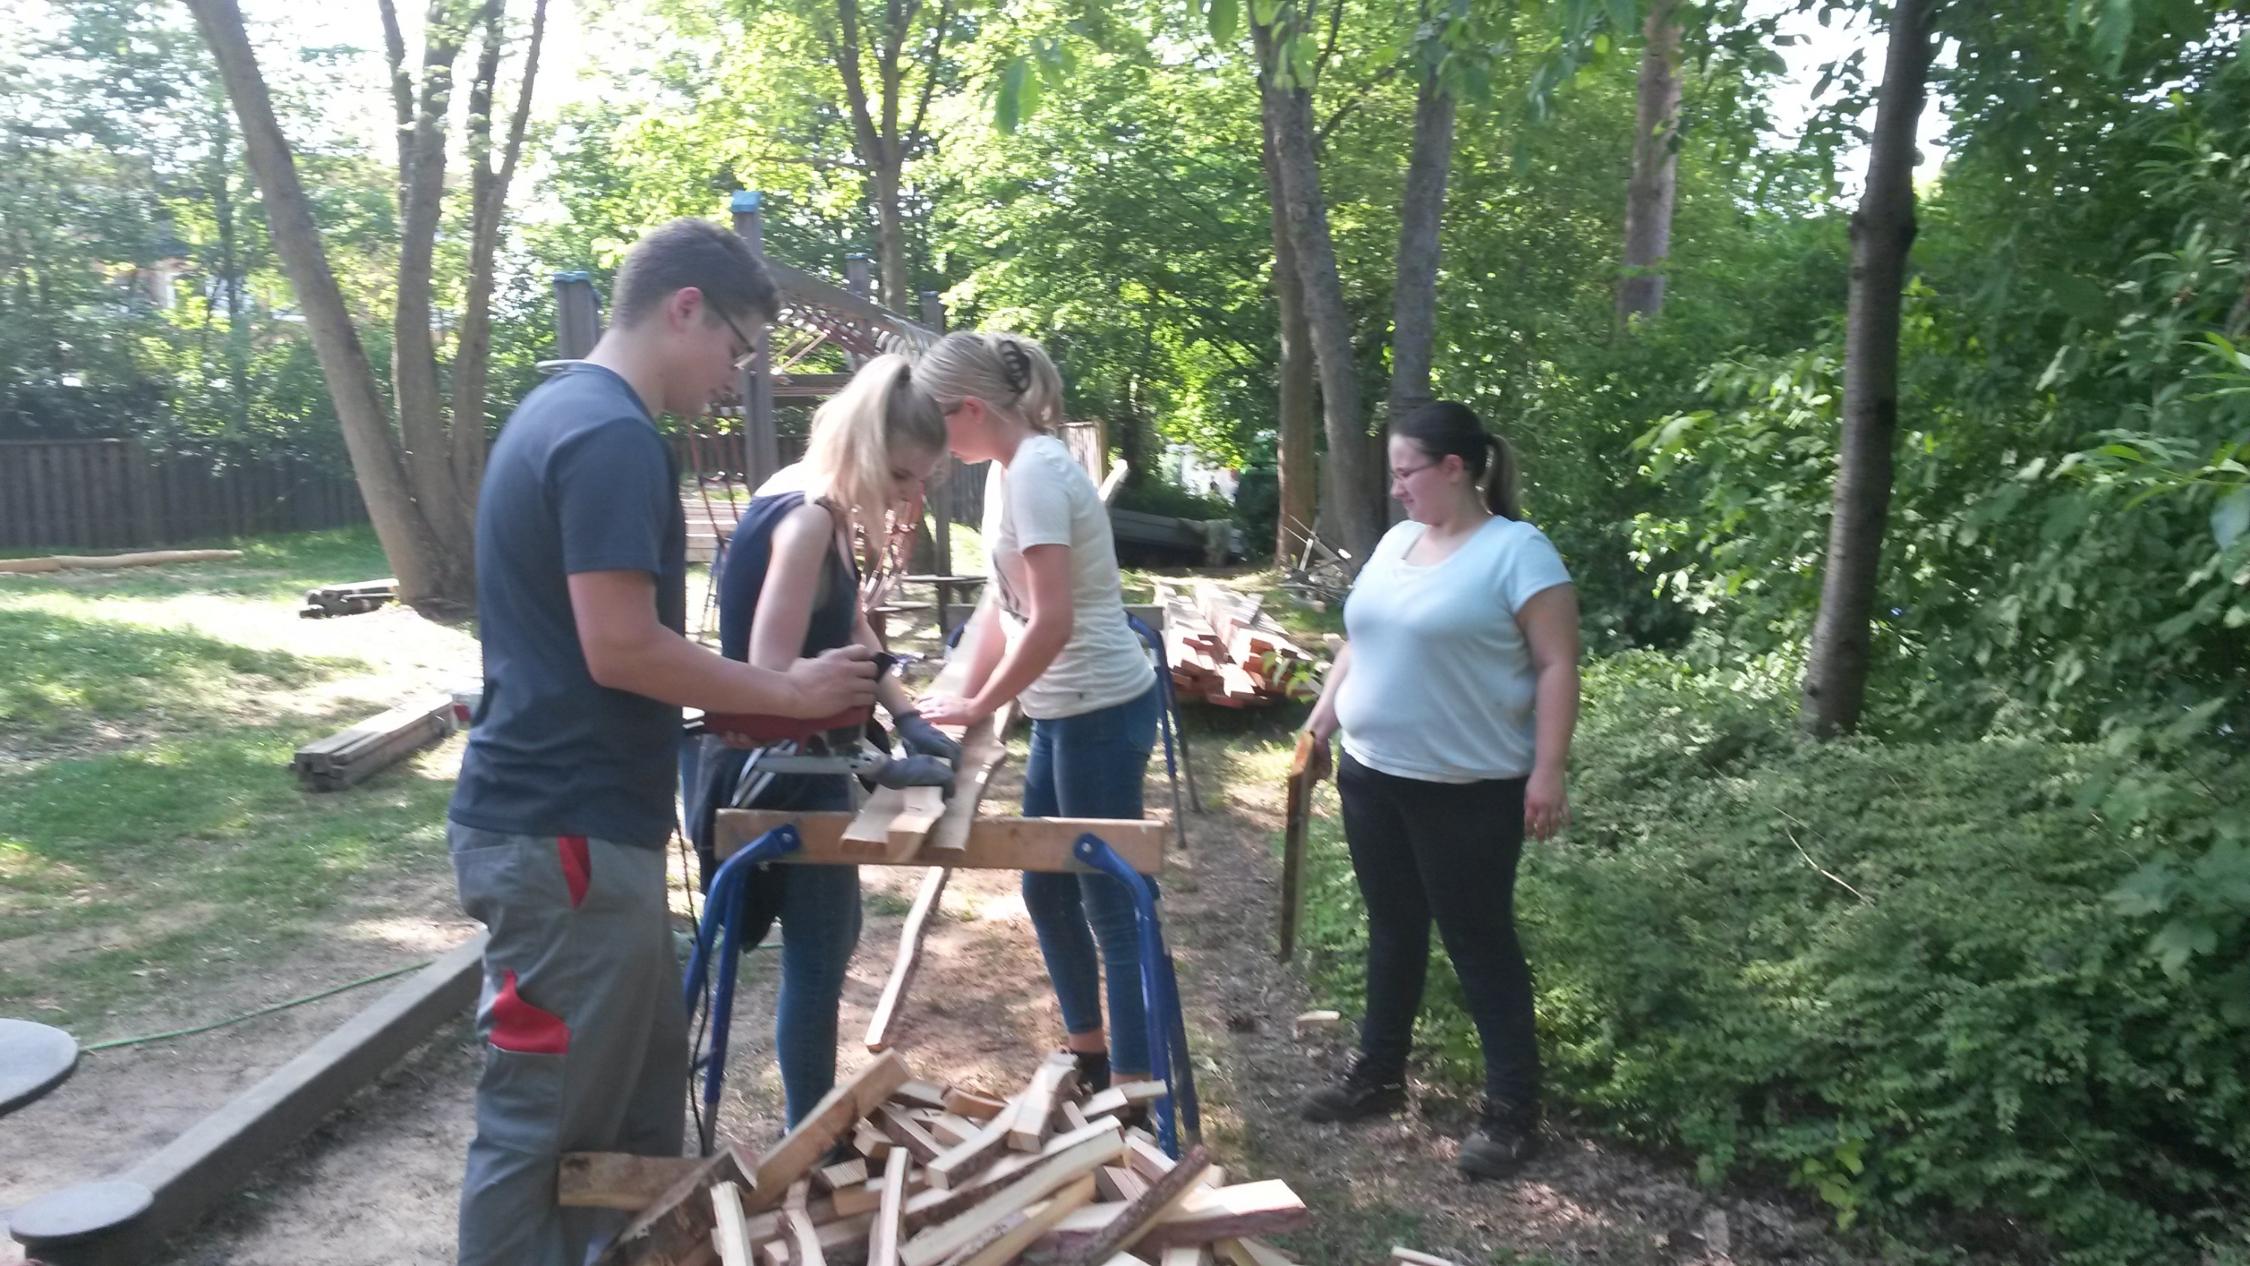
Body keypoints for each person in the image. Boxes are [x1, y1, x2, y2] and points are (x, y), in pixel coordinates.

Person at [445, 217, 879, 1266]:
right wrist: (780, 689)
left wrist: (737, 698)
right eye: (737, 347)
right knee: (545, 1120)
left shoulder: (560, 411)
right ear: (686, 306)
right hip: (565, 841)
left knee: (634, 1116)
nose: (736, 377)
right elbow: (621, 648)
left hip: (586, 832)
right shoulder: (610, 436)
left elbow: (582, 651)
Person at [1296, 399, 1581, 1182]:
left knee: (1479, 940)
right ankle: (1378, 1076)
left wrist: (1547, 770)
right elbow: (1359, 641)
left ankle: (1513, 1112)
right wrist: (1319, 727)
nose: (1396, 490)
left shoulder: (1518, 553)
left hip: (1467, 787)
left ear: (1454, 469)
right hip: (1372, 773)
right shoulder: (1396, 544)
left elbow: (1558, 665)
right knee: (1393, 927)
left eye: (1405, 472)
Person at [694, 352, 957, 1126]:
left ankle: (810, 1121)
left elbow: (851, 623)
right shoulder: (807, 517)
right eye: (905, 478)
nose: (910, 496)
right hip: (775, 770)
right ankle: (809, 1135)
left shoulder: (823, 506)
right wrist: (870, 753)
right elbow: (769, 669)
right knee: (816, 959)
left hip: (812, 761)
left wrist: (903, 714)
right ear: (871, 451)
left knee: (834, 938)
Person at [911, 331, 1159, 1095]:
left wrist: (984, 703)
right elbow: (1003, 599)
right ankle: (1088, 1058)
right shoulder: (1004, 472)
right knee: (1044, 888)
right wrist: (960, 688)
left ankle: (1133, 1086)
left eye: (935, 419)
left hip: (1100, 711)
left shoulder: (1039, 475)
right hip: (1061, 708)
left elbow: (1051, 621)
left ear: (974, 410)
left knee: (1107, 900)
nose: (929, 438)